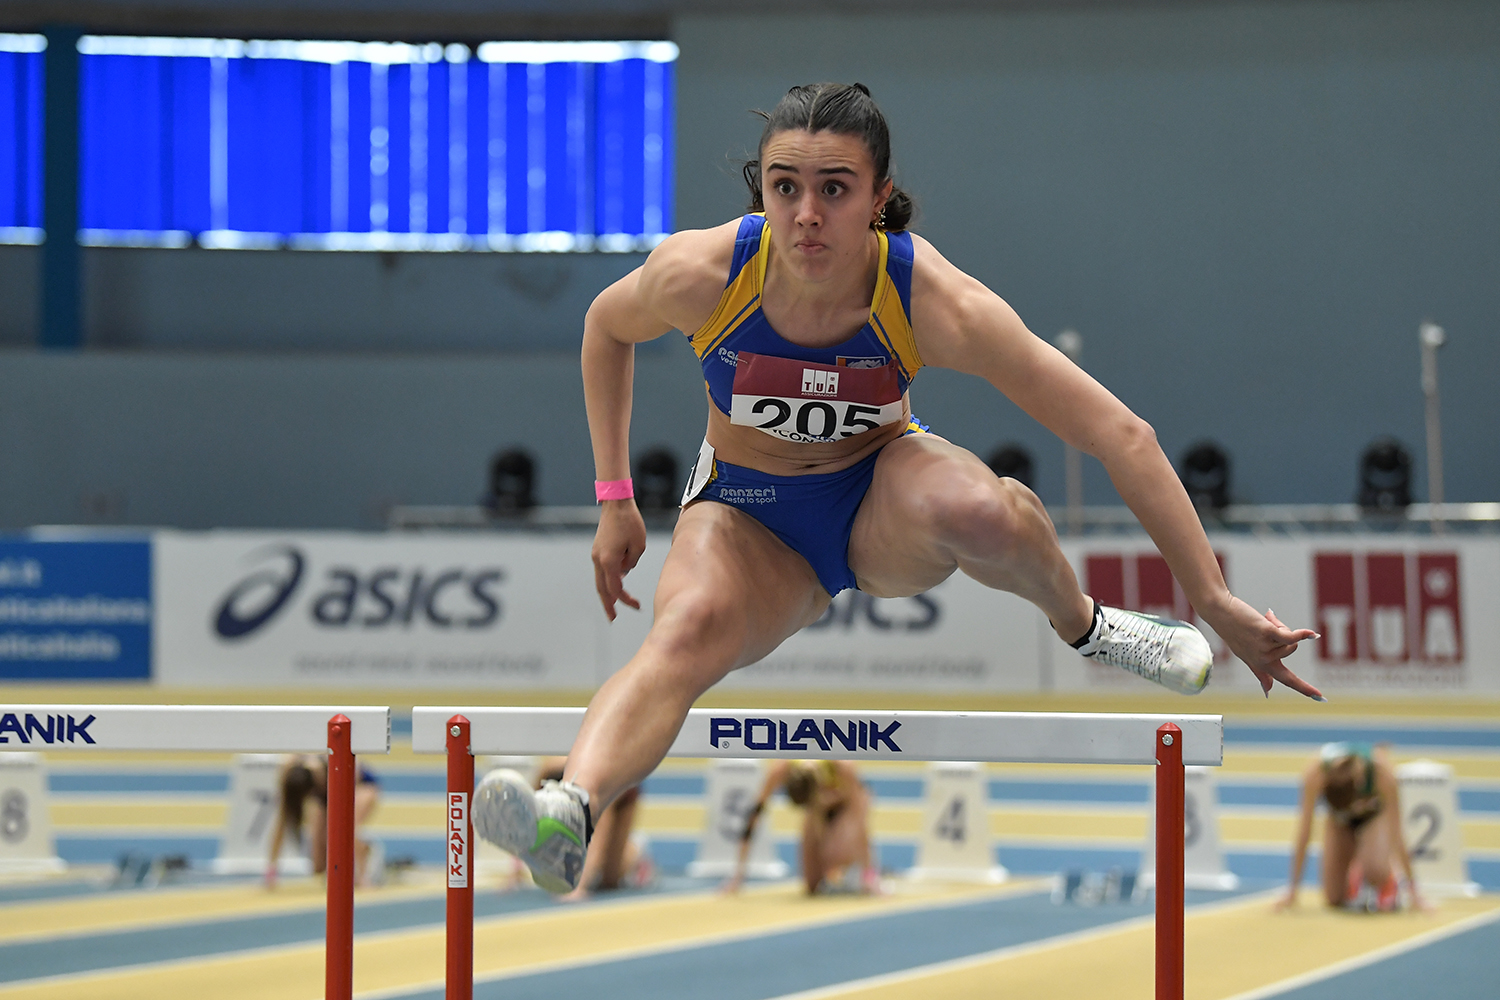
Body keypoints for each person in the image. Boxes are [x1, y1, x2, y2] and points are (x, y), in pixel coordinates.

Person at [472, 82, 1325, 893]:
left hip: (877, 498)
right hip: (746, 512)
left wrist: (1212, 598)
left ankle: (1089, 627)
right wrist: (615, 496)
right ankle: (570, 814)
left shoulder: (930, 300)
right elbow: (604, 326)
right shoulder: (700, 273)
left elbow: (1119, 433)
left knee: (981, 508)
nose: (807, 214)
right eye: (785, 187)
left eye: (835, 189)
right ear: (762, 190)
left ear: (879, 197)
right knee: (683, 632)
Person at [1277, 742, 1425, 912]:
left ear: (1360, 782)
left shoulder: (1382, 774)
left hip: (1373, 817)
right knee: (1334, 898)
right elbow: (1305, 832)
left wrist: (1414, 893)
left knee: (1375, 871)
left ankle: (1388, 876)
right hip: (1339, 820)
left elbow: (1397, 834)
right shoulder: (1315, 774)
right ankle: (1355, 871)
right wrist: (1292, 891)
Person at [725, 760, 879, 896]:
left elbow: (861, 825)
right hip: (817, 808)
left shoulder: (842, 767)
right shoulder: (781, 769)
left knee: (834, 854)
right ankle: (835, 865)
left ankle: (855, 871)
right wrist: (738, 876)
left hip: (847, 804)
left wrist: (869, 876)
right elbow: (754, 817)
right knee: (812, 885)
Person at [534, 758, 654, 899]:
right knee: (609, 880)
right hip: (595, 776)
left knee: (611, 880)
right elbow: (530, 817)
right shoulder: (551, 770)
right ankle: (630, 853)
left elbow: (598, 835)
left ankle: (635, 854)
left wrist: (578, 885)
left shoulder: (598, 785)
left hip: (621, 785)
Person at [266, 754, 381, 887]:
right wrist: (271, 870)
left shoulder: (326, 765)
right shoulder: (287, 770)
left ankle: (364, 876)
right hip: (325, 792)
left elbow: (355, 767)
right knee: (318, 865)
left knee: (347, 829)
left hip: (360, 786)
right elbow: (281, 824)